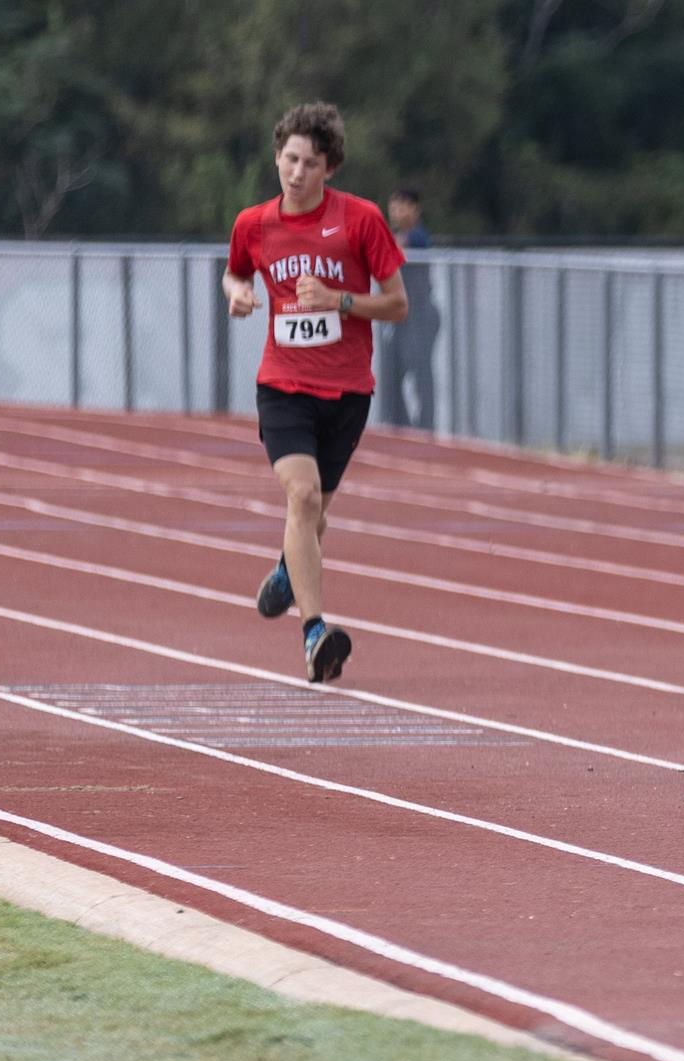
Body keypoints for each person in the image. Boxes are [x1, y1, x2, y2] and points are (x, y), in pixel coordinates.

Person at [225, 102, 408, 683]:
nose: (297, 172)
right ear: (277, 157)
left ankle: (286, 570)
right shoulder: (253, 224)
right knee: (301, 498)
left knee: (315, 515)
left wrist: (340, 300)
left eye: (310, 162)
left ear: (329, 168)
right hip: (283, 386)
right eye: (290, 159)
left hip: (348, 391)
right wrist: (236, 293)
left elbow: (398, 304)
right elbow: (235, 272)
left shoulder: (360, 220)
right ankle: (314, 633)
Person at [379, 186, 438, 429]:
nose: (396, 211)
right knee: (391, 376)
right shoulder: (395, 236)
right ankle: (398, 426)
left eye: (402, 206)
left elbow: (394, 249)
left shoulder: (417, 237)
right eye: (393, 206)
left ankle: (426, 428)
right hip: (398, 318)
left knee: (420, 374)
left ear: (415, 209)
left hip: (419, 316)